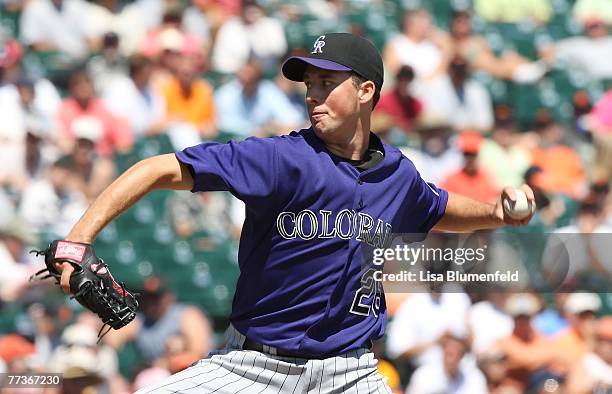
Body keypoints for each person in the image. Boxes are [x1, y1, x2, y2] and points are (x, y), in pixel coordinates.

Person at [52, 33, 536, 393]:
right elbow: (159, 168)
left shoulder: (398, 175)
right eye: (309, 83)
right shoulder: (280, 158)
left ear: (366, 91)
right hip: (253, 368)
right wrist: (78, 238)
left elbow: (440, 208)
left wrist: (497, 210)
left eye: (328, 82)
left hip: (352, 373)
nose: (312, 94)